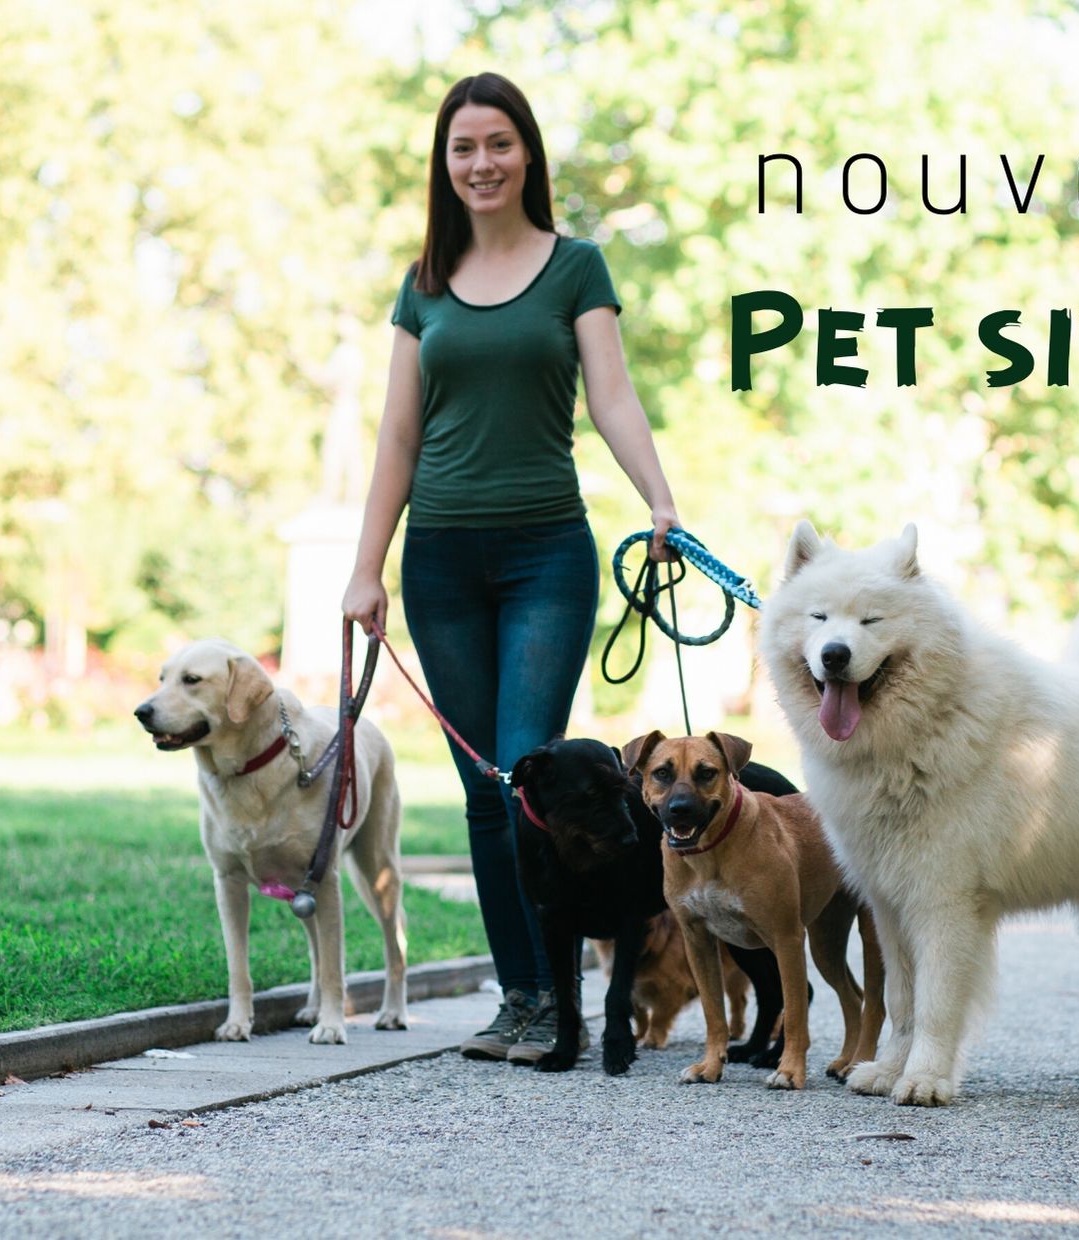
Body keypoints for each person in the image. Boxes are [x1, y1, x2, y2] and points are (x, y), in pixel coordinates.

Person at [340, 72, 682, 1064]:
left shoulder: (575, 267)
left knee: (526, 774)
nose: (480, 163)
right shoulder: (423, 284)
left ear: (526, 152)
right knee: (482, 787)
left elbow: (612, 396)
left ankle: (559, 996)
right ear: (443, 166)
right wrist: (367, 569)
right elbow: (396, 437)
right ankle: (526, 996)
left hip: (546, 556)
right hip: (440, 561)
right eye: (462, 148)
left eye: (497, 144)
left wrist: (658, 498)